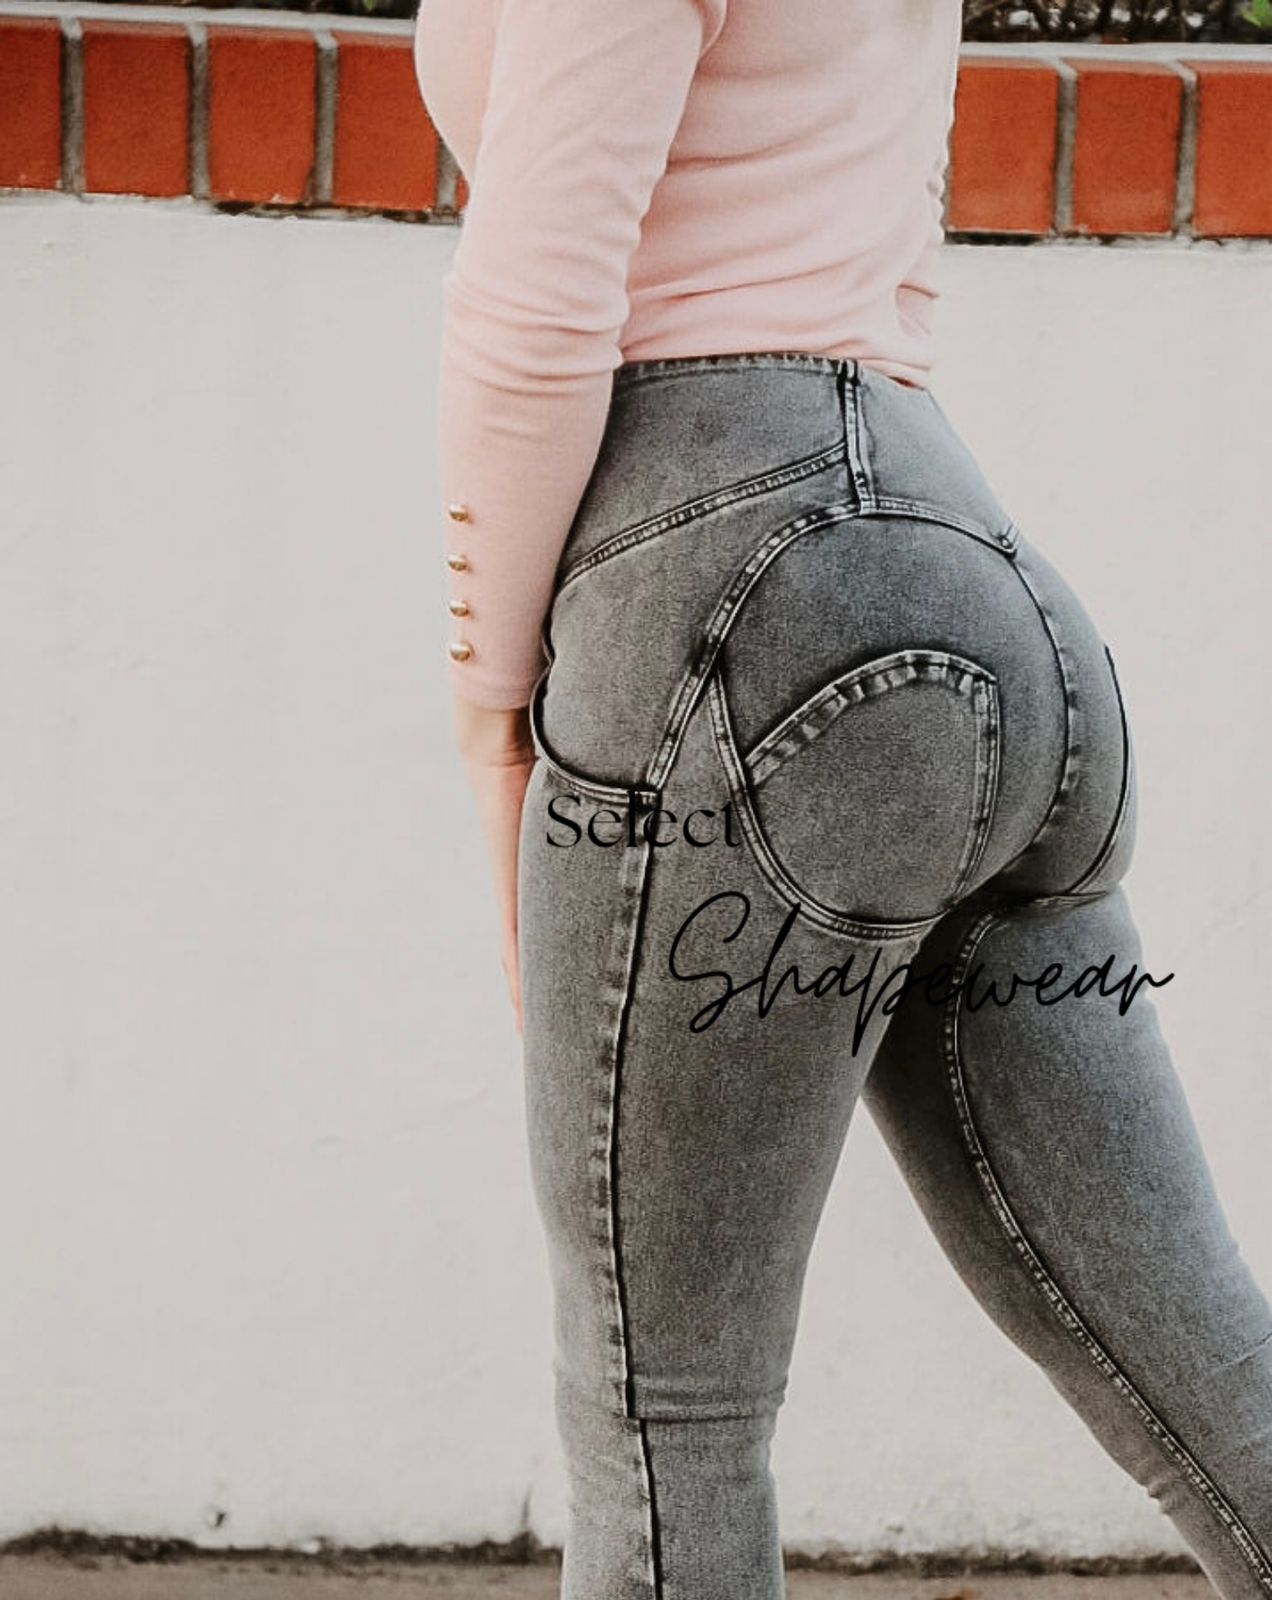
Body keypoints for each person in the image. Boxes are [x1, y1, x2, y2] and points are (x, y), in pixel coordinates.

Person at [412, 0, 1272, 1595]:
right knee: (1205, 1360)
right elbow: (893, 279)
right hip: (988, 590)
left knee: (665, 1415)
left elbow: (535, 313)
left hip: (734, 603)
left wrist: (488, 712)